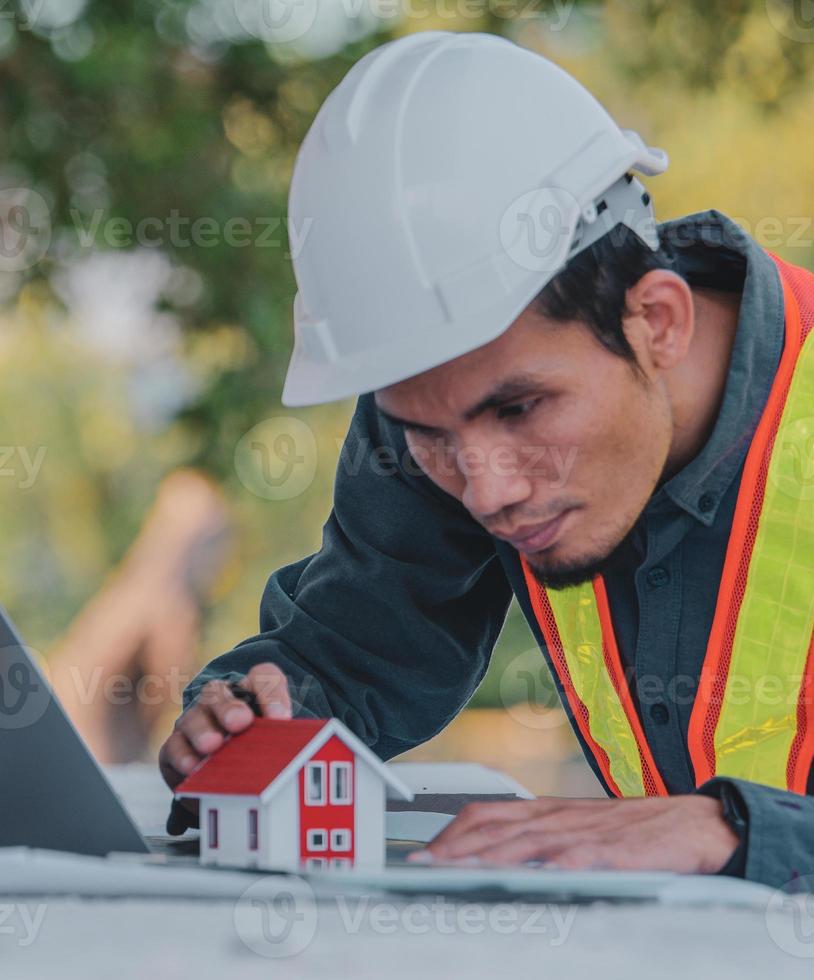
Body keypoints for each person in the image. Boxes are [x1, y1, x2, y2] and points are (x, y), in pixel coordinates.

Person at [159, 31, 814, 888]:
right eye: (425, 433)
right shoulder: (448, 400)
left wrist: (735, 834)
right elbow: (359, 651)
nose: (489, 492)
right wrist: (251, 716)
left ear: (657, 323)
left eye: (520, 411)